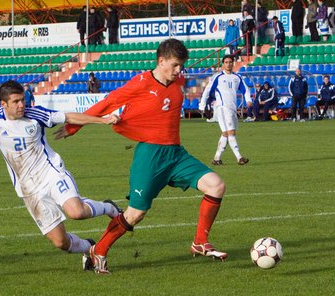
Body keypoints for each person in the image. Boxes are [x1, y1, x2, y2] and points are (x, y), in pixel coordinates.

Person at [57, 39, 228, 274]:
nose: (180, 70)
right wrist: (74, 126)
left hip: (176, 154)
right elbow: (108, 103)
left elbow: (191, 88)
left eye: (182, 66)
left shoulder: (179, 81)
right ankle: (99, 250)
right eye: (176, 65)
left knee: (216, 186)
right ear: (161, 61)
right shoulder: (141, 83)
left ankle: (199, 242)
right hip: (150, 155)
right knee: (135, 214)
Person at [0, 80, 123, 270]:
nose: (21, 105)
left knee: (77, 212)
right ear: (3, 104)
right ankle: (90, 247)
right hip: (29, 190)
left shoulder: (36, 114)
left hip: (51, 173)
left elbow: (69, 116)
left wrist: (103, 120)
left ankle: (108, 208)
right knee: (61, 242)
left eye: (22, 100)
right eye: (16, 101)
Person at [199, 55, 251, 165]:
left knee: (227, 134)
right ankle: (239, 158)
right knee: (230, 132)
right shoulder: (218, 77)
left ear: (233, 63)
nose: (228, 64)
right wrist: (202, 105)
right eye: (226, 62)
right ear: (223, 64)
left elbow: (245, 89)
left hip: (232, 109)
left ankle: (216, 159)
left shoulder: (237, 77)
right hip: (222, 108)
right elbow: (207, 90)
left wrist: (248, 100)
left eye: (230, 62)